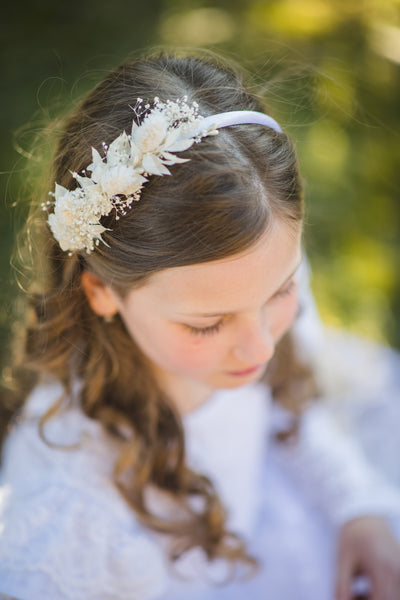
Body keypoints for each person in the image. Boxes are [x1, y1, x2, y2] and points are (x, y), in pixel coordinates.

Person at [0, 51, 400, 600]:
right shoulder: (70, 513)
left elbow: (291, 408)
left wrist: (357, 507)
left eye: (283, 291)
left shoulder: (244, 283)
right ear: (102, 292)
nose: (260, 346)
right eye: (207, 325)